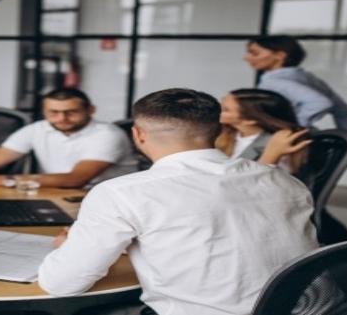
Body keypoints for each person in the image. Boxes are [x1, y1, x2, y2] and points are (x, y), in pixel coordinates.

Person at [38, 88, 318, 315]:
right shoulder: (286, 182)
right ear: (219, 131)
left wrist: (74, 246)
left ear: (137, 135)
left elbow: (63, 284)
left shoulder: (120, 193)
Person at [0, 88, 138, 189]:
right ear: (44, 111)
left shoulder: (108, 134)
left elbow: (75, 179)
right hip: (53, 194)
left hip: (101, 198)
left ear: (90, 110)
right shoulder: (37, 129)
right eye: (54, 112)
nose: (62, 119)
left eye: (71, 112)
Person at [244, 36, 347, 135]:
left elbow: (320, 102)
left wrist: (294, 127)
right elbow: (344, 112)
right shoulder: (310, 78)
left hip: (282, 143)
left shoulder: (274, 81)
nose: (246, 57)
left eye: (254, 53)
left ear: (280, 55)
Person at [217, 88, 311, 173]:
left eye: (225, 110)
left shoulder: (279, 144)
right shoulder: (220, 133)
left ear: (249, 120)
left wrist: (271, 155)